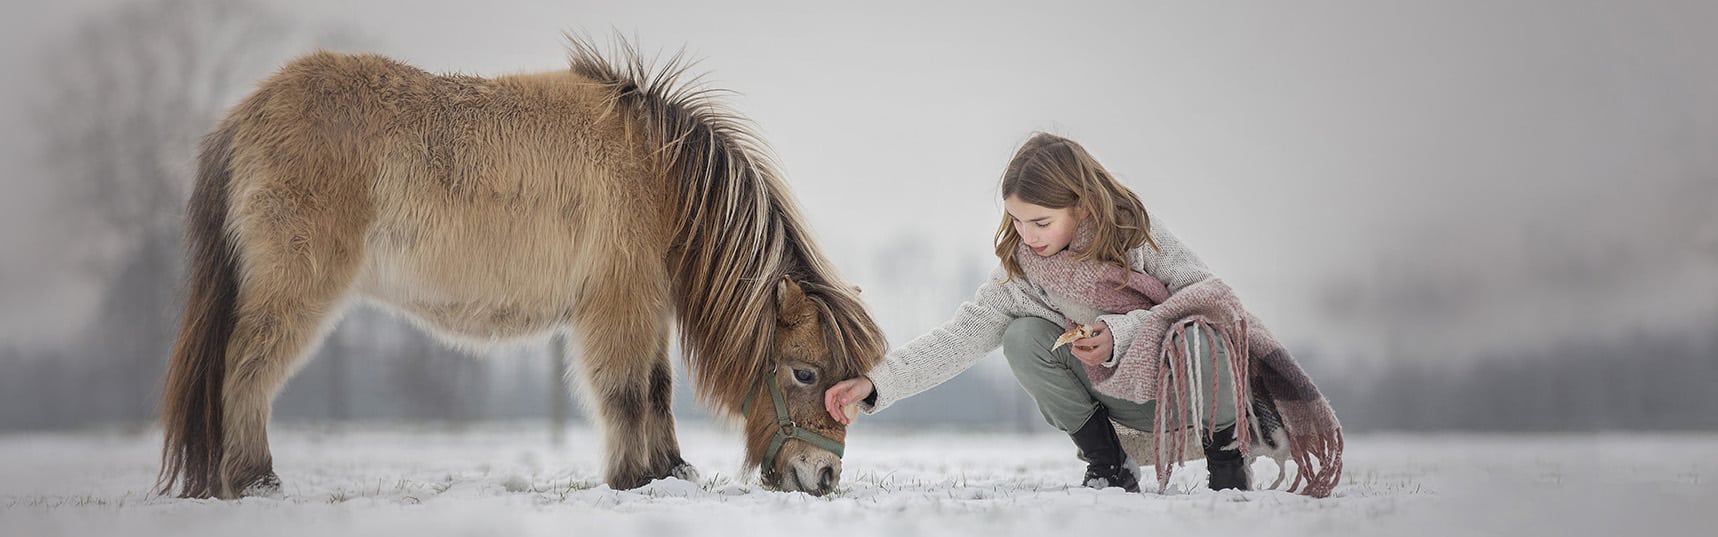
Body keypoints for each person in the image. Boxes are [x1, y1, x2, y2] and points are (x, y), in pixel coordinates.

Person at [824, 132, 1265, 493]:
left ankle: (1228, 463)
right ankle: (1110, 466)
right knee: (1023, 336)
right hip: (1117, 402)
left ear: (1082, 206)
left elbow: (1212, 299)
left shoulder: (1135, 234)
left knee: (1201, 332)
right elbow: (959, 337)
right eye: (1017, 221)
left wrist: (1120, 333)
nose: (1027, 236)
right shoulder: (1024, 273)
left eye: (1041, 223)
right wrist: (875, 382)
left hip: (1186, 394)